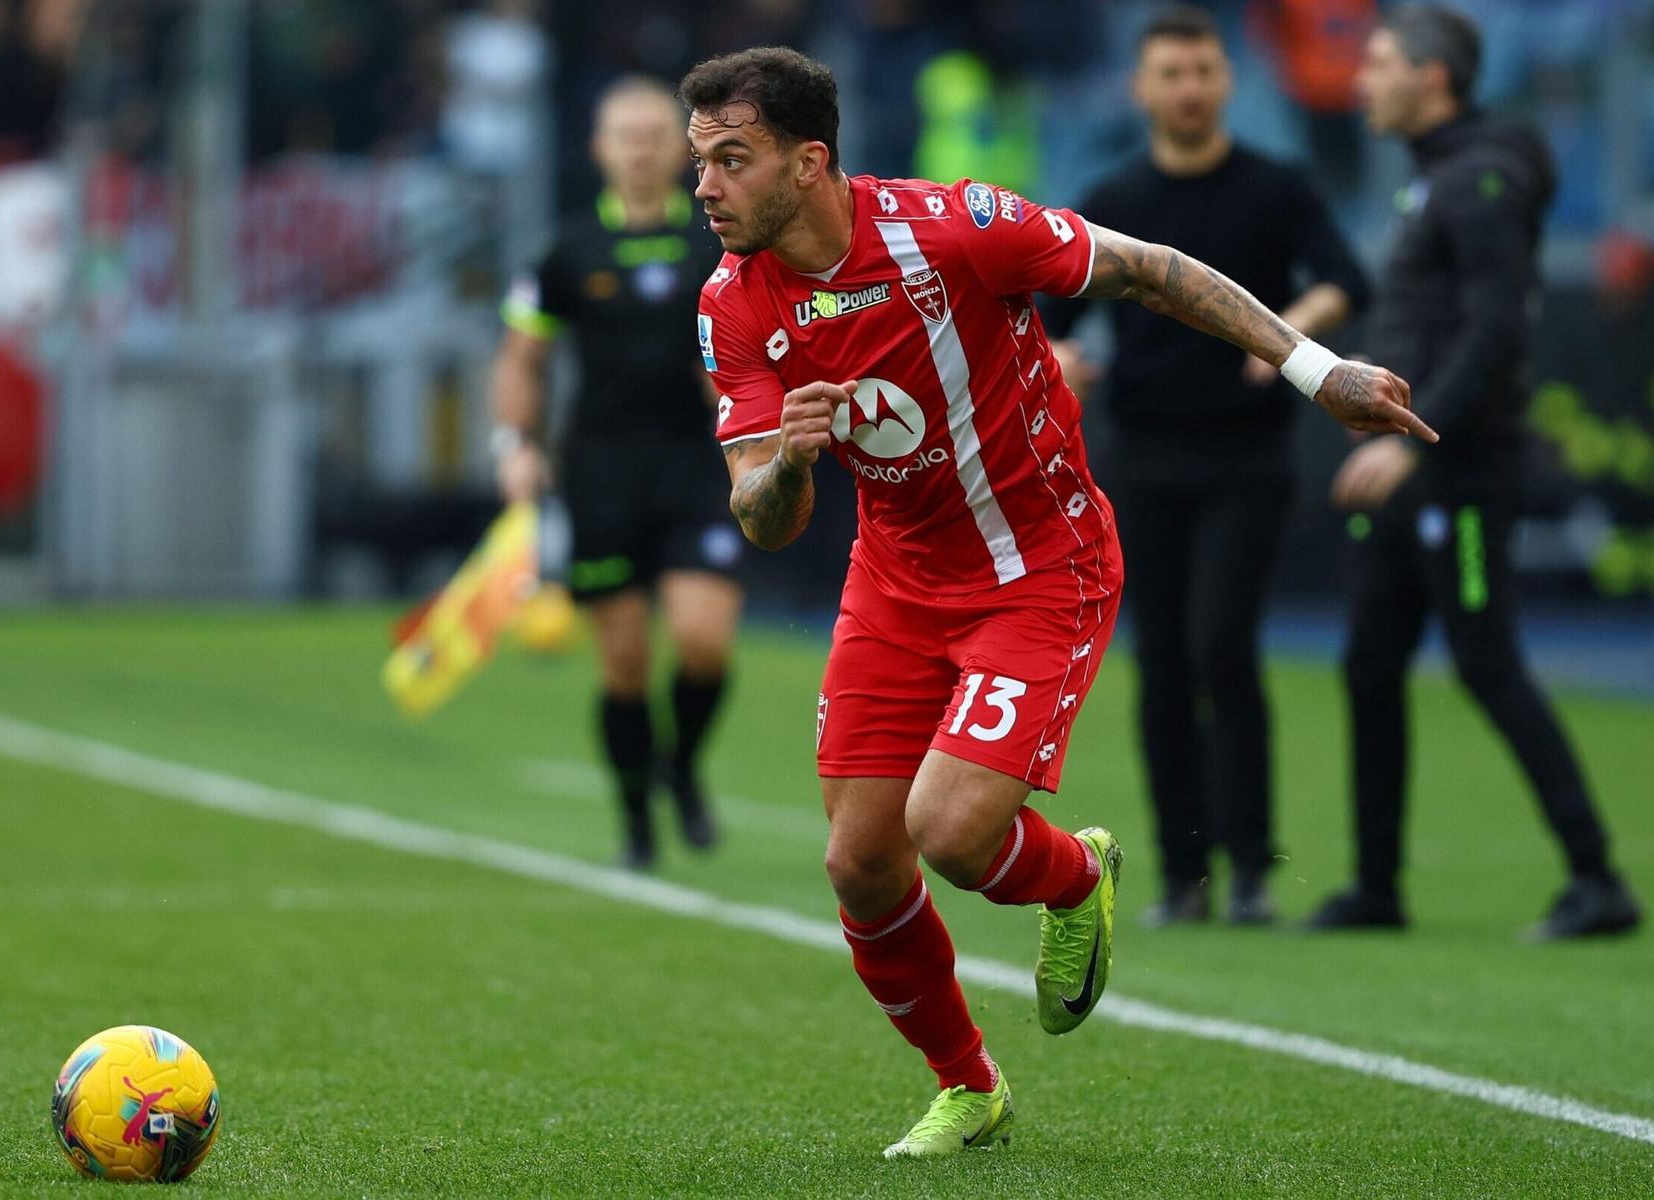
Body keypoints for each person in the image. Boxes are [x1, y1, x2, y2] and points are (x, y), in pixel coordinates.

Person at [684, 46, 1431, 1159]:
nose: (704, 187)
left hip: (1040, 566)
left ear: (809, 162)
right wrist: (790, 462)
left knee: (948, 834)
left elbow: (1152, 268)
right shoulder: (730, 304)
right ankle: (969, 1085)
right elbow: (767, 517)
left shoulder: (958, 230)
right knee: (858, 861)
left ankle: (1078, 876)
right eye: (701, 161)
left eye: (731, 160)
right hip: (892, 582)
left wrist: (1321, 374)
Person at [1311, 6, 1641, 939]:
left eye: (1379, 63)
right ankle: (1376, 888)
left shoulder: (1481, 177)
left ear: (1435, 79)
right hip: (1411, 473)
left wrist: (1405, 438)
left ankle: (1598, 879)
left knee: (1488, 667)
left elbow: (1497, 328)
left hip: (1457, 474)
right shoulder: (1439, 177)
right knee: (1369, 665)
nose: (1362, 80)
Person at [1039, 5, 1370, 927]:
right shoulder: (1114, 199)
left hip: (1245, 455)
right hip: (1142, 456)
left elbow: (1349, 276)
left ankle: (1253, 869)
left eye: (1202, 72)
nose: (1188, 89)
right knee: (1162, 660)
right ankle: (1186, 877)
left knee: (1224, 647)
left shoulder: (1277, 187)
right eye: (1170, 74)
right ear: (1143, 89)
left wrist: (1288, 340)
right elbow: (1048, 323)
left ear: (1226, 82)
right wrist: (1062, 359)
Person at [490, 76, 742, 870]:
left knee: (704, 643)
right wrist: (516, 444)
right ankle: (637, 818)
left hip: (697, 462)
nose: (640, 147)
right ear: (600, 150)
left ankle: (683, 765)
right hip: (600, 469)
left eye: (655, 133)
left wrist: (751, 429)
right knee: (625, 659)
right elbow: (522, 357)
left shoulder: (718, 242)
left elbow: (742, 351)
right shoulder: (567, 250)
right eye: (624, 134)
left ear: (683, 148)